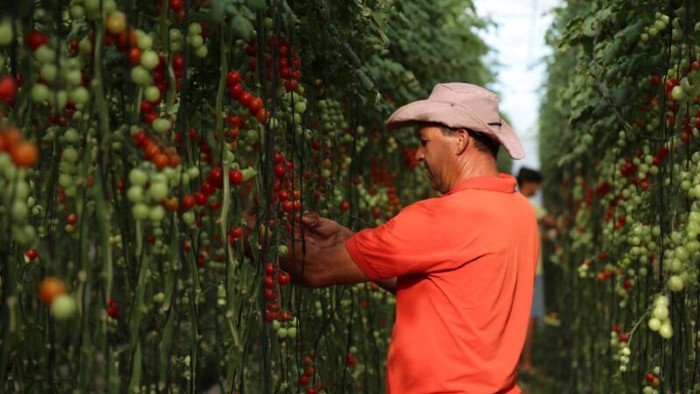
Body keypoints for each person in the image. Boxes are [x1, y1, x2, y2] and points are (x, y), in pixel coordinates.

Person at [281, 83, 539, 393]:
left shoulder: (441, 217)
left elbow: (315, 269)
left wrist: (252, 235)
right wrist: (347, 239)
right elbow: (444, 286)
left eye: (424, 142)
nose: (417, 155)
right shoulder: (519, 211)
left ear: (460, 140)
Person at [516, 167, 556, 374]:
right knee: (529, 317)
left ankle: (512, 362)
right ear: (529, 183)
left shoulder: (512, 203)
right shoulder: (531, 206)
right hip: (533, 270)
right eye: (537, 184)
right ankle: (526, 363)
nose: (539, 188)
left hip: (516, 267)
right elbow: (552, 222)